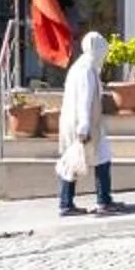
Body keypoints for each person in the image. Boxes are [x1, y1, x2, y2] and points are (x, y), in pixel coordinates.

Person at [54, 31, 118, 217]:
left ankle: (69, 202)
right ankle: (102, 201)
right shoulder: (86, 70)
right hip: (84, 123)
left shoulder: (83, 67)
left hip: (83, 122)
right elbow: (84, 99)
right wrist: (84, 127)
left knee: (77, 160)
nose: (104, 55)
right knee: (90, 159)